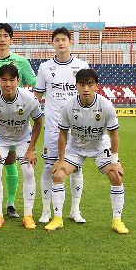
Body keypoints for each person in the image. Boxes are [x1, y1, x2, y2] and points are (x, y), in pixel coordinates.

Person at [45, 68, 129, 234]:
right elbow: (62, 134)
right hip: (75, 147)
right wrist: (60, 160)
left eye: (90, 84)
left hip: (99, 146)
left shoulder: (106, 106)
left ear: (96, 86)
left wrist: (114, 161)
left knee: (116, 176)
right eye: (82, 84)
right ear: (76, 85)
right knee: (58, 175)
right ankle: (58, 218)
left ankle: (117, 220)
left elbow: (114, 135)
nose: (85, 89)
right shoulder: (68, 106)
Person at [0, 23, 37, 219]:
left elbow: (35, 83)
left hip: (14, 119)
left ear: (11, 39)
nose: (2, 39)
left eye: (5, 35)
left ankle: (10, 204)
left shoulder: (21, 61)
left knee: (11, 161)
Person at [33, 27, 89, 224]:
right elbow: (37, 96)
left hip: (76, 127)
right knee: (49, 167)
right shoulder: (45, 67)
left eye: (64, 39)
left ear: (70, 42)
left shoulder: (82, 66)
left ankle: (75, 210)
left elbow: (87, 95)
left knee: (76, 168)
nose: (60, 43)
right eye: (56, 40)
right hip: (53, 127)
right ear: (53, 43)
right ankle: (46, 211)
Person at [0, 64, 43, 229]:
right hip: (0, 139)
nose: (8, 84)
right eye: (4, 80)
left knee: (29, 171)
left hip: (23, 139)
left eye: (12, 80)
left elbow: (38, 122)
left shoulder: (29, 99)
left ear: (18, 81)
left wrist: (31, 149)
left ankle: (28, 215)